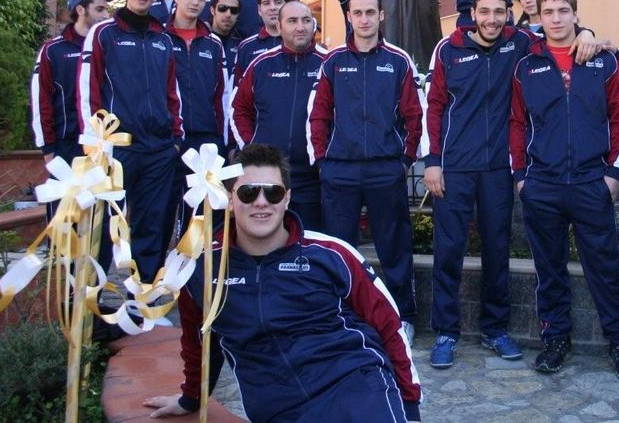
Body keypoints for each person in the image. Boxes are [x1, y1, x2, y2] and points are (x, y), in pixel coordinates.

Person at [142, 143, 422, 422]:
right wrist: (191, 398)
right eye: (248, 192)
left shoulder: (331, 254)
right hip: (278, 409)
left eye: (273, 193)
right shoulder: (203, 269)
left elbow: (389, 325)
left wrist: (410, 409)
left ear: (286, 199)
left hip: (356, 390)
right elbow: (198, 341)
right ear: (229, 199)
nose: (261, 202)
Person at [509, 0, 619, 381]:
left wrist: (613, 174)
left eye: (563, 11)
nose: (555, 19)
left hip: (590, 182)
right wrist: (521, 177)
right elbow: (517, 124)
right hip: (542, 185)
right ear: (538, 15)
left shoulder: (602, 60)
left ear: (575, 13)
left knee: (605, 268)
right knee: (549, 271)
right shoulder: (526, 66)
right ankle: (555, 340)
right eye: (547, 11)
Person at [424, 0, 537, 368]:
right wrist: (433, 161)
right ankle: (446, 332)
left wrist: (588, 35)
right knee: (448, 251)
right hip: (454, 167)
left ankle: (495, 329)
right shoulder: (449, 49)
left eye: (499, 12)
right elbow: (434, 106)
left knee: (497, 250)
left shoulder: (519, 43)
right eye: (484, 12)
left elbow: (560, 39)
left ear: (508, 13)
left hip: (497, 168)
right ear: (472, 13)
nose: (492, 19)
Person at [307, 0, 423, 345]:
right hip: (340, 170)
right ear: (349, 17)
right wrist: (323, 161)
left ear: (381, 15)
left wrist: (404, 160)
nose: (364, 19)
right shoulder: (333, 62)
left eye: (370, 12)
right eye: (357, 13)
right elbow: (318, 115)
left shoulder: (398, 61)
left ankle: (403, 317)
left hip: (385, 170)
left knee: (395, 247)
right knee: (340, 249)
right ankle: (343, 317)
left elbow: (413, 115)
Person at [78, 0, 183, 280]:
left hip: (158, 148)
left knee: (151, 225)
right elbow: (88, 88)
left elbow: (172, 92)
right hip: (117, 147)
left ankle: (144, 295)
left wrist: (175, 138)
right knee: (103, 223)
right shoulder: (104, 33)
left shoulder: (163, 39)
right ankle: (91, 300)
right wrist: (96, 143)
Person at [232, 1, 326, 231]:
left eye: (306, 20)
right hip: (268, 174)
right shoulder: (260, 64)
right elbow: (238, 109)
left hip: (313, 177)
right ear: (279, 26)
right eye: (292, 21)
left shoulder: (329, 63)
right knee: (268, 239)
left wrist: (325, 159)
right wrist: (252, 148)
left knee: (308, 239)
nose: (300, 27)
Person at [31, 0, 115, 218]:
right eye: (99, 9)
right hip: (66, 145)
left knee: (99, 219)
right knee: (63, 220)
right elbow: (41, 101)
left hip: (102, 145)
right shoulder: (53, 50)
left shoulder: (108, 46)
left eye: (107, 10)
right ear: (80, 10)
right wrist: (48, 149)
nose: (106, 15)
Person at [165, 0, 227, 236]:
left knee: (204, 216)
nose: (195, 2)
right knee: (165, 210)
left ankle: (202, 261)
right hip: (168, 137)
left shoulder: (214, 43)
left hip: (205, 139)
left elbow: (222, 95)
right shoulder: (160, 38)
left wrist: (222, 139)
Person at [232, 0, 292, 85]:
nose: (272, 8)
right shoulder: (246, 47)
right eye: (266, 3)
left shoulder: (300, 43)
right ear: (259, 10)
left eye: (278, 2)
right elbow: (237, 89)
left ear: (288, 6)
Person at [207, 0, 241, 80]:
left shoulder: (241, 44)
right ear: (212, 10)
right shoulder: (200, 40)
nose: (228, 14)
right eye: (222, 8)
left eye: (234, 10)